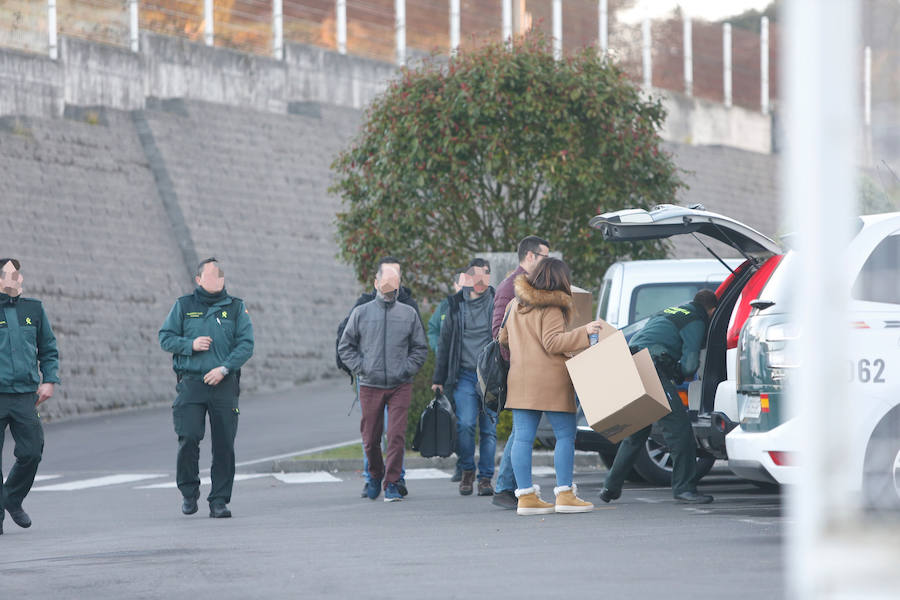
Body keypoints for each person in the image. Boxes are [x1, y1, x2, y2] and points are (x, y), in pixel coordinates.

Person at [499, 258, 604, 515]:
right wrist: (586, 332)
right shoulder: (553, 306)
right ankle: (565, 495)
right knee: (565, 436)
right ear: (559, 280)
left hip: (520, 379)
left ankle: (525, 498)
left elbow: (502, 338)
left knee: (522, 438)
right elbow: (553, 342)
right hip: (551, 381)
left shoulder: (515, 304)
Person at [598, 289, 719, 505]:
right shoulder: (696, 319)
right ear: (712, 310)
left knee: (636, 433)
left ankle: (610, 487)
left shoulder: (671, 311)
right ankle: (684, 488)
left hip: (628, 362)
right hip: (650, 368)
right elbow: (690, 364)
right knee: (679, 430)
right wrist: (681, 373)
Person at [159, 258, 254, 518]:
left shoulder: (235, 308)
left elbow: (246, 344)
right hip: (191, 383)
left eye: (219, 275)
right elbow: (165, 337)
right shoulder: (183, 306)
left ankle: (219, 500)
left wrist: (224, 368)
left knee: (224, 444)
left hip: (223, 384)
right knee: (188, 437)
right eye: (209, 276)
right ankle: (189, 492)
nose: (215, 280)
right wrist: (189, 344)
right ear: (198, 280)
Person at [339, 264, 428, 502]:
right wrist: (362, 368)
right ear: (376, 283)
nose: (390, 286)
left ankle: (392, 483)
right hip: (370, 384)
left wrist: (406, 369)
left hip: (400, 385)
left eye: (395, 281)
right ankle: (376, 475)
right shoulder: (362, 312)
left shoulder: (408, 313)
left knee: (396, 436)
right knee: (370, 439)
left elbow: (420, 348)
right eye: (386, 281)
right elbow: (345, 346)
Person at [0, 258, 60, 535]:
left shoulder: (33, 309)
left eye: (18, 274)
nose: (16, 279)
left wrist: (49, 380)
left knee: (32, 451)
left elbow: (47, 347)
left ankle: (11, 498)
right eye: (10, 275)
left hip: (25, 395)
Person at [491, 236, 550, 510]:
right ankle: (505, 487)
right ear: (529, 256)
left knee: (523, 430)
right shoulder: (510, 287)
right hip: (521, 370)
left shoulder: (530, 286)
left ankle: (510, 486)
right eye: (543, 256)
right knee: (521, 430)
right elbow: (498, 333)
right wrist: (522, 361)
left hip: (533, 369)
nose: (546, 262)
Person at [432, 258, 496, 497]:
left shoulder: (497, 303)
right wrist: (438, 378)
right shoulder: (456, 306)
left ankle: (486, 479)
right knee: (466, 424)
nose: (481, 281)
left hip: (491, 377)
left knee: (489, 430)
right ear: (468, 278)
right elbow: (445, 342)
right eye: (476, 275)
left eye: (485, 275)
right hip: (465, 376)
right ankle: (468, 470)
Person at [427, 269, 465, 355]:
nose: (462, 287)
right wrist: (439, 349)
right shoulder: (445, 306)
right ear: (454, 285)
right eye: (459, 284)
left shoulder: (478, 307)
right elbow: (433, 330)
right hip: (448, 362)